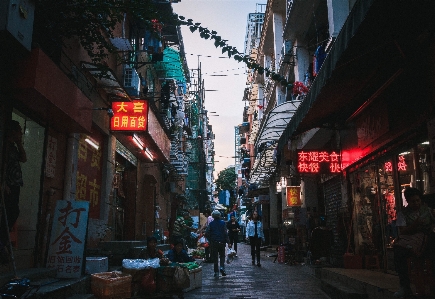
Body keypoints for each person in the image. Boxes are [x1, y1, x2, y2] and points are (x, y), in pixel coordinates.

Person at [393, 187, 435, 298]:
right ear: (408, 201)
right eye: (413, 201)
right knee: (398, 252)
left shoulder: (428, 211)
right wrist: (415, 225)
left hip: (427, 242)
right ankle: (405, 287)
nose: (416, 203)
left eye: (418, 200)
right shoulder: (403, 214)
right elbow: (402, 231)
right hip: (411, 243)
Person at [0, 120, 26, 253]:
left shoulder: (14, 147)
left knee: (14, 211)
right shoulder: (4, 146)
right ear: (13, 132)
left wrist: (19, 144)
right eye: (19, 131)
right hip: (8, 185)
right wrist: (3, 183)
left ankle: (3, 241)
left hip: (15, 184)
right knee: (10, 211)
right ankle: (2, 241)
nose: (21, 133)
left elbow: (23, 158)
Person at [206, 210, 231, 277]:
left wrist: (210, 239)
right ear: (219, 215)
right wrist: (228, 242)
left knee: (215, 257)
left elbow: (207, 232)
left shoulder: (211, 224)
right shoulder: (223, 223)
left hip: (214, 242)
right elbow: (225, 233)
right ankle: (222, 267)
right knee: (222, 255)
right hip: (222, 242)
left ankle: (216, 272)